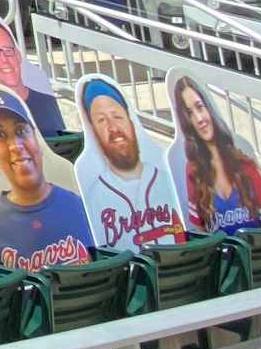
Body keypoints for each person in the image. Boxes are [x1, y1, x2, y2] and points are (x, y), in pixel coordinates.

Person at [0, 85, 92, 272]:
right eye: (0, 135)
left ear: (36, 138)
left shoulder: (78, 205)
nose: (15, 146)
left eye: (21, 131)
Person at [74, 77, 183, 251]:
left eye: (117, 116)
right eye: (102, 121)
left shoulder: (169, 180)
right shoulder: (92, 198)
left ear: (131, 124)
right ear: (94, 133)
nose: (113, 127)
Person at [170, 75, 261, 234]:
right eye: (189, 113)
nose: (198, 119)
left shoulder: (245, 163)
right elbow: (201, 233)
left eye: (200, 107)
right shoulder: (193, 171)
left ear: (209, 108)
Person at [0, 14, 68, 134]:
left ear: (18, 55)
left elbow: (59, 139)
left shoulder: (45, 100)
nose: (4, 59)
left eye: (8, 50)